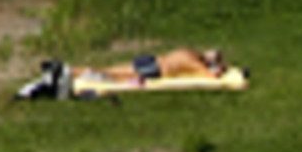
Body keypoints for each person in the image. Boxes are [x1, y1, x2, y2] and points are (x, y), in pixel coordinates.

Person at [84, 47, 229, 84]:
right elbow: (210, 75)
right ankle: (96, 75)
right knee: (123, 75)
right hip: (156, 69)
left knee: (120, 69)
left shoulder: (190, 52)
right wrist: (219, 71)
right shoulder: (193, 61)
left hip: (153, 60)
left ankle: (97, 72)